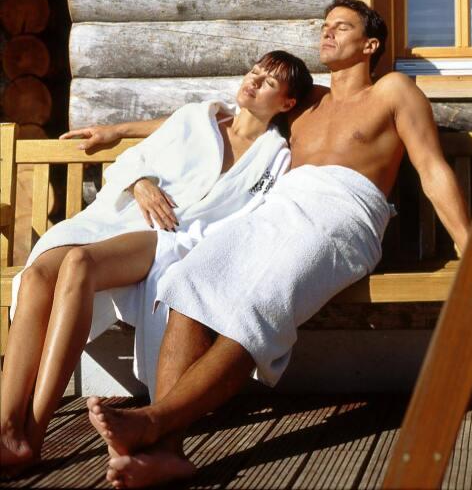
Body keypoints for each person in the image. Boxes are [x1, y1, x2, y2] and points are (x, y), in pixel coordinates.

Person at [81, 0, 471, 488]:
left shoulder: (393, 90)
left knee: (257, 304)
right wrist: (118, 130)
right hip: (279, 209)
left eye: (342, 26)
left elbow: (432, 169)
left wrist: (470, 246)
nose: (327, 32)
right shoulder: (306, 101)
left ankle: (154, 423)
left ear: (370, 45)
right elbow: (215, 124)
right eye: (325, 25)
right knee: (187, 280)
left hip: (344, 214)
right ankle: (167, 452)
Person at [0, 51, 313, 475]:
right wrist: (140, 183)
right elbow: (135, 159)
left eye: (268, 82)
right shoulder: (197, 119)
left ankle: (34, 433)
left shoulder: (275, 157)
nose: (253, 82)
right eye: (254, 72)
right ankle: (7, 427)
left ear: (287, 103)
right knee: (37, 274)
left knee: (79, 263)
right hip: (118, 217)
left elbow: (256, 217)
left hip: (172, 238)